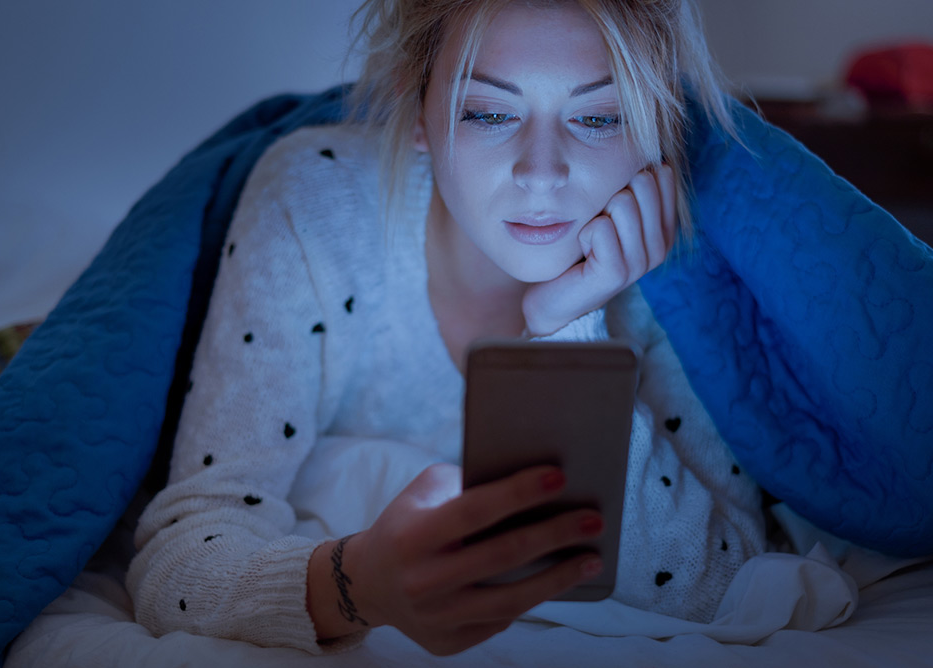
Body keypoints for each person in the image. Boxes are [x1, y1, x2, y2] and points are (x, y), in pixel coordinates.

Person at [126, 0, 766, 656]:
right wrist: (360, 586)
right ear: (417, 112)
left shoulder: (674, 263)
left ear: (657, 125)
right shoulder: (317, 206)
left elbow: (728, 579)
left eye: (600, 117)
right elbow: (177, 561)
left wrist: (567, 328)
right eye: (489, 113)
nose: (540, 172)